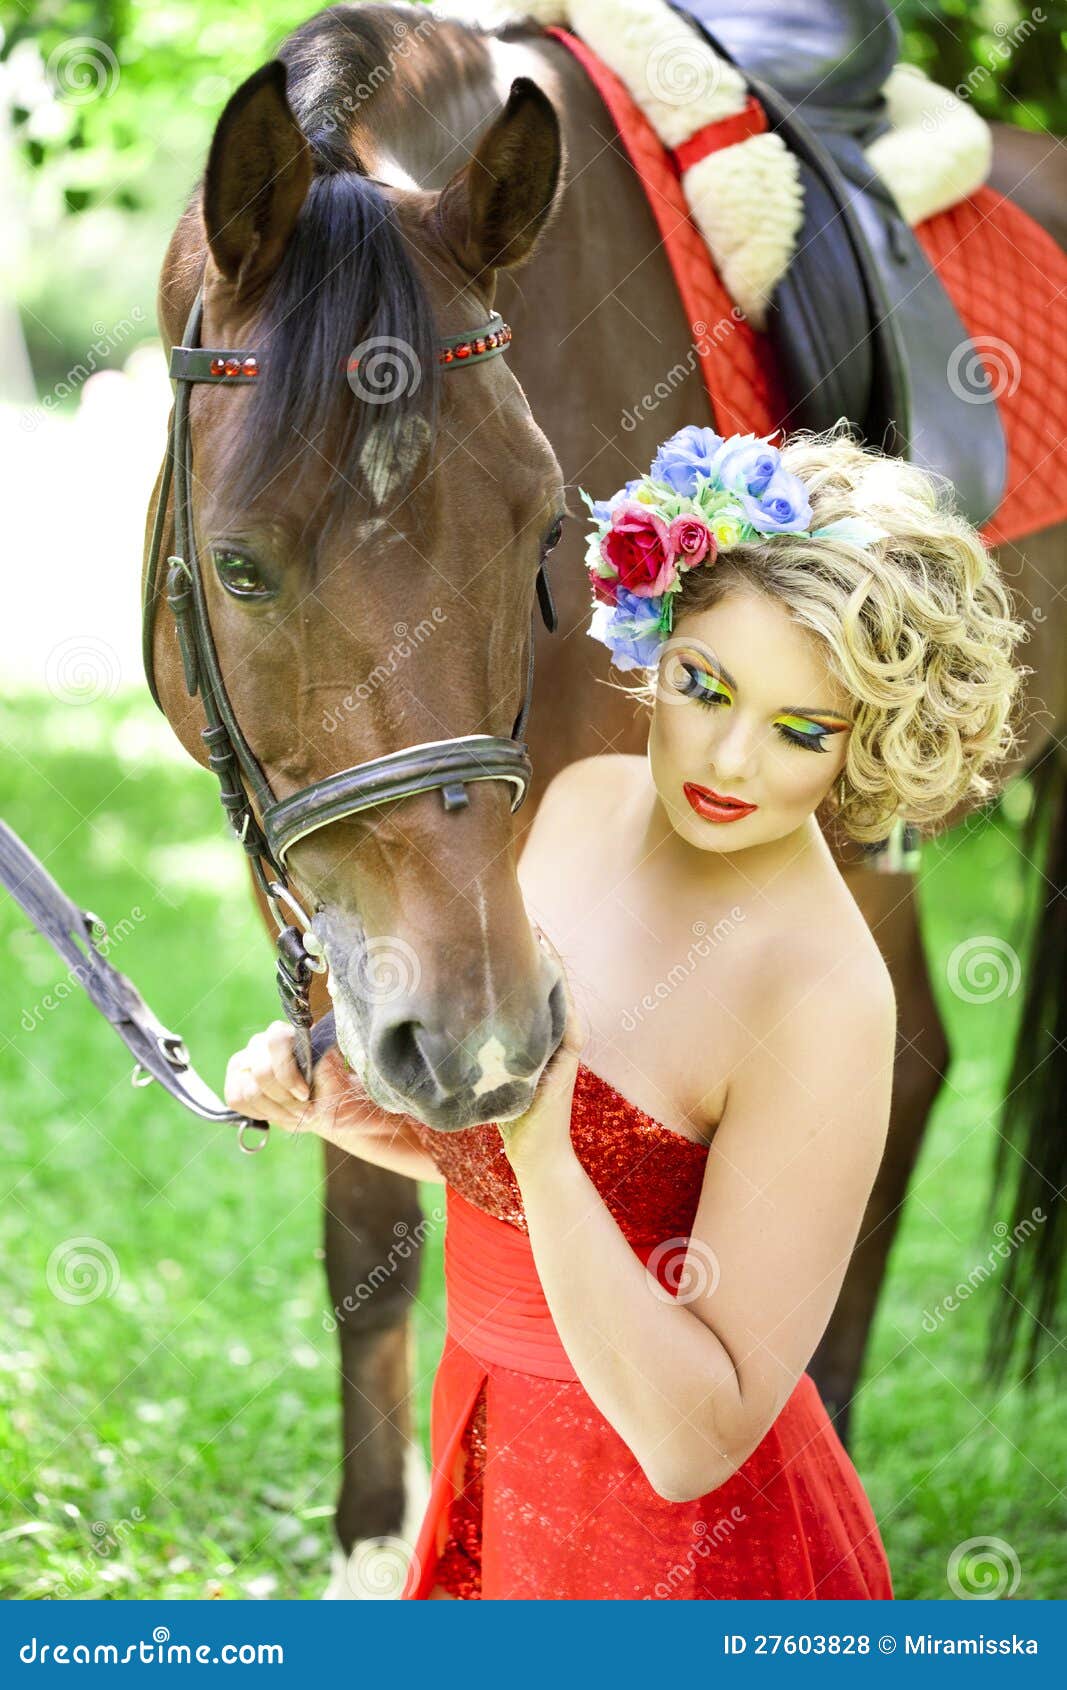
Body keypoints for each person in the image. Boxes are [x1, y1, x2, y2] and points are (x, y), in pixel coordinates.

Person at [225, 422, 1026, 1600]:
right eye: (704, 688)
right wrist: (329, 1103)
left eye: (801, 730)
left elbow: (695, 1441)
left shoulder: (822, 994)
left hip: (666, 1552)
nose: (732, 759)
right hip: (481, 1438)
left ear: (870, 747)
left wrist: (550, 1158)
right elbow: (496, 1156)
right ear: (653, 643)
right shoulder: (584, 800)